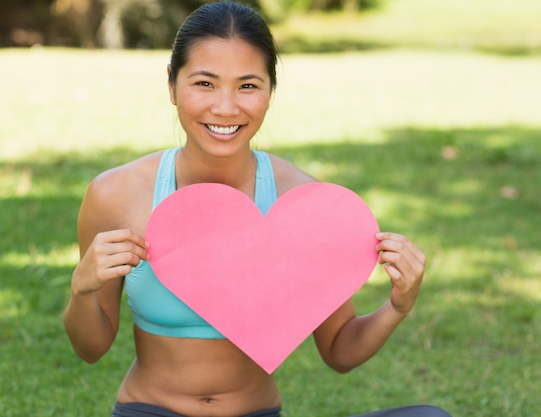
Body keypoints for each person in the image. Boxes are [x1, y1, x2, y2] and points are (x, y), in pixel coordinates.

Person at [63, 2, 452, 417]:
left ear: (270, 91)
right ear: (172, 85)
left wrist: (398, 306)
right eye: (205, 83)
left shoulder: (305, 204)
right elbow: (91, 348)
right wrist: (82, 288)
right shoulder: (117, 195)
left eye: (248, 86)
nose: (227, 108)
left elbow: (340, 350)